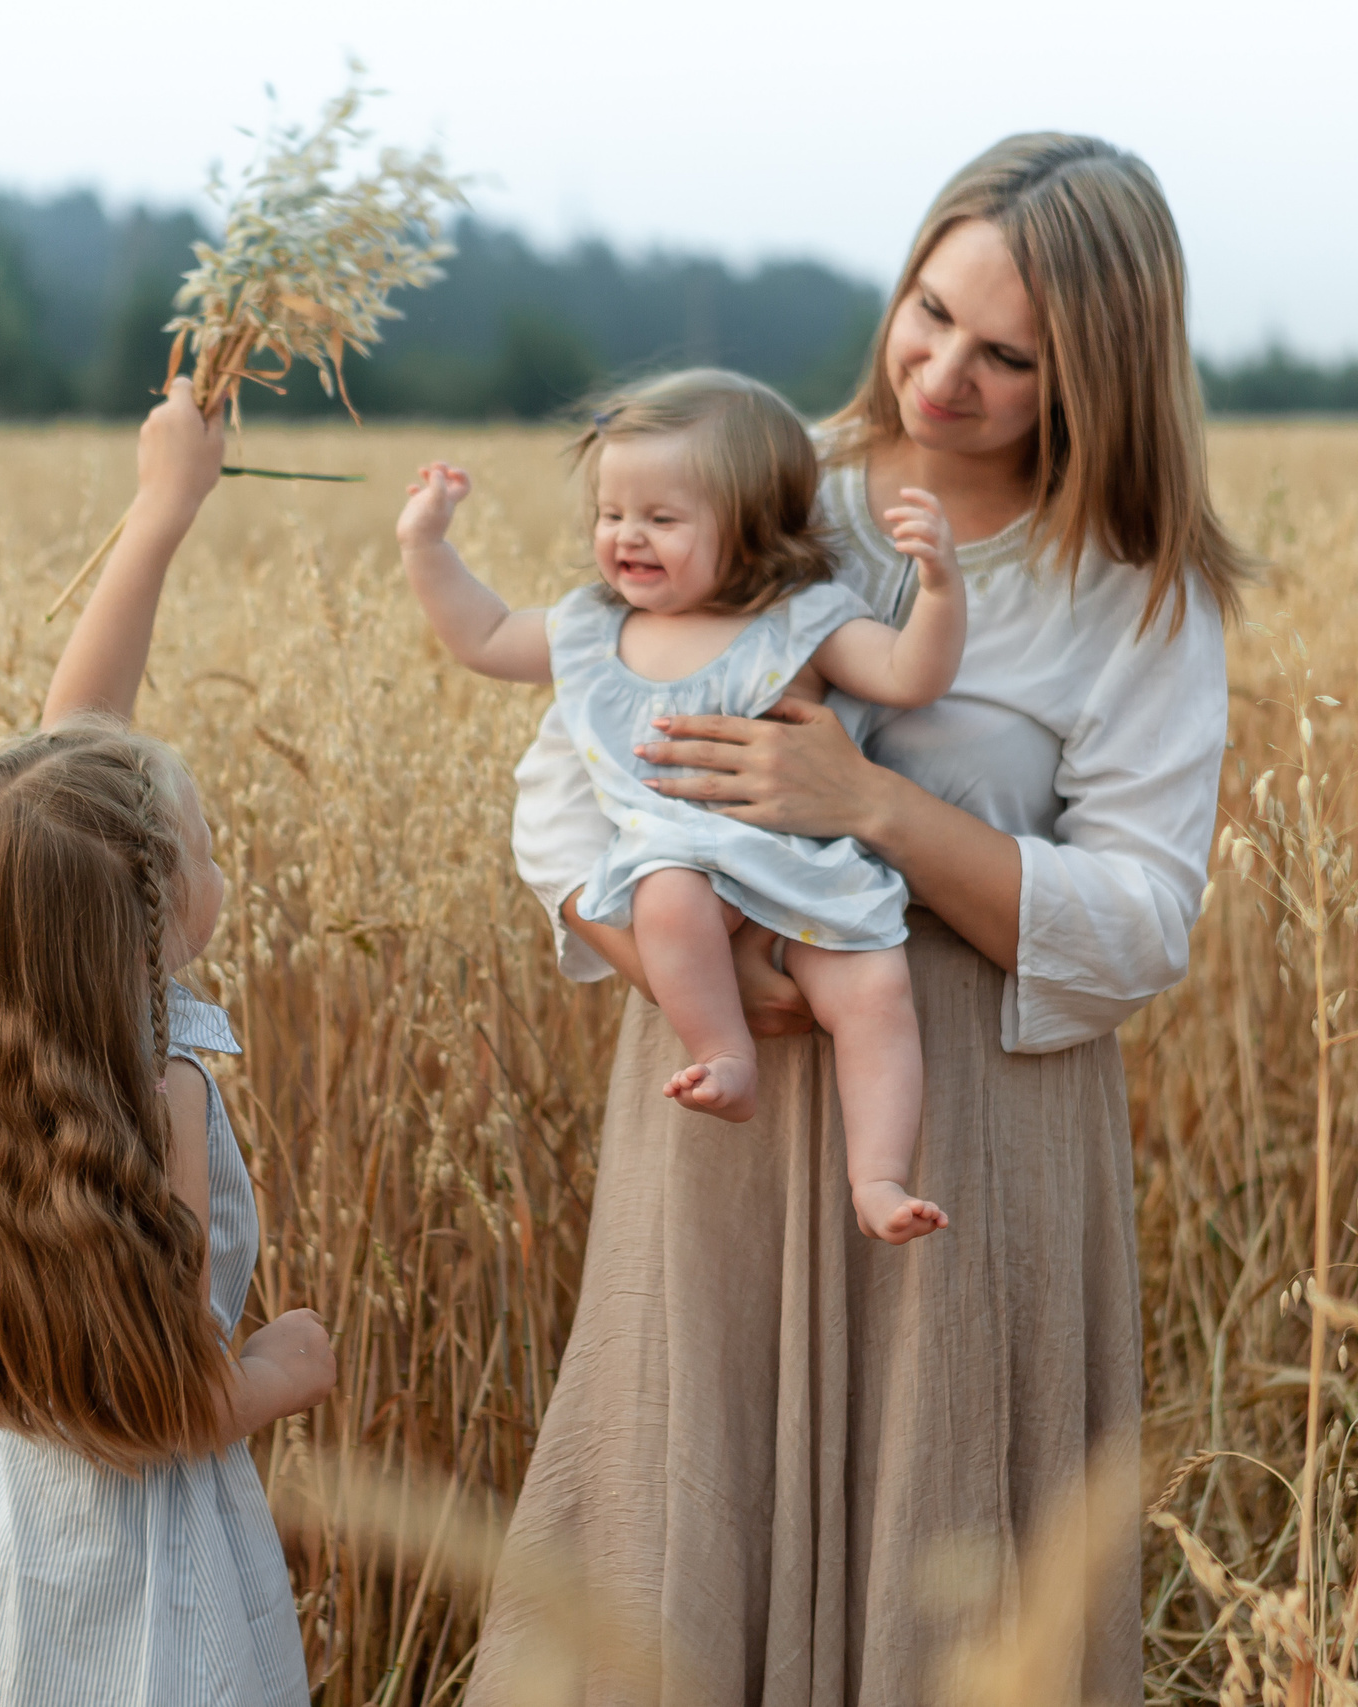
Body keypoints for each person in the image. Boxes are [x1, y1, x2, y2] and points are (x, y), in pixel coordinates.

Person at [474, 134, 1246, 1705]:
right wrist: (723, 981)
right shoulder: (773, 493)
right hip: (725, 1113)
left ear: (1098, 374)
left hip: (970, 1145)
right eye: (928, 312)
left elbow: (1146, 916)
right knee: (673, 1557)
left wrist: (878, 806)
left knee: (946, 1588)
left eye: (1008, 355)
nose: (944, 373)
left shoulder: (1134, 588)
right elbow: (565, 793)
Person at [0, 379, 335, 1705]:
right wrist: (279, 1367)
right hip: (143, 1579)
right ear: (145, 924)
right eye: (202, 845)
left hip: (3, 1544)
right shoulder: (167, 1091)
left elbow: (67, 754)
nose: (220, 855)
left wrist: (162, 510)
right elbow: (156, 1406)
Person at [395, 369, 969, 1243]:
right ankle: (724, 1051)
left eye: (662, 518)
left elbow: (911, 675)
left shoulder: (803, 621)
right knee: (665, 891)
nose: (627, 535)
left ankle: (880, 1175)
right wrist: (427, 546)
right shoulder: (592, 627)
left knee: (877, 989)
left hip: (801, 866)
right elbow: (479, 635)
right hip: (685, 872)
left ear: (753, 528)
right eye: (611, 513)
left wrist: (937, 592)